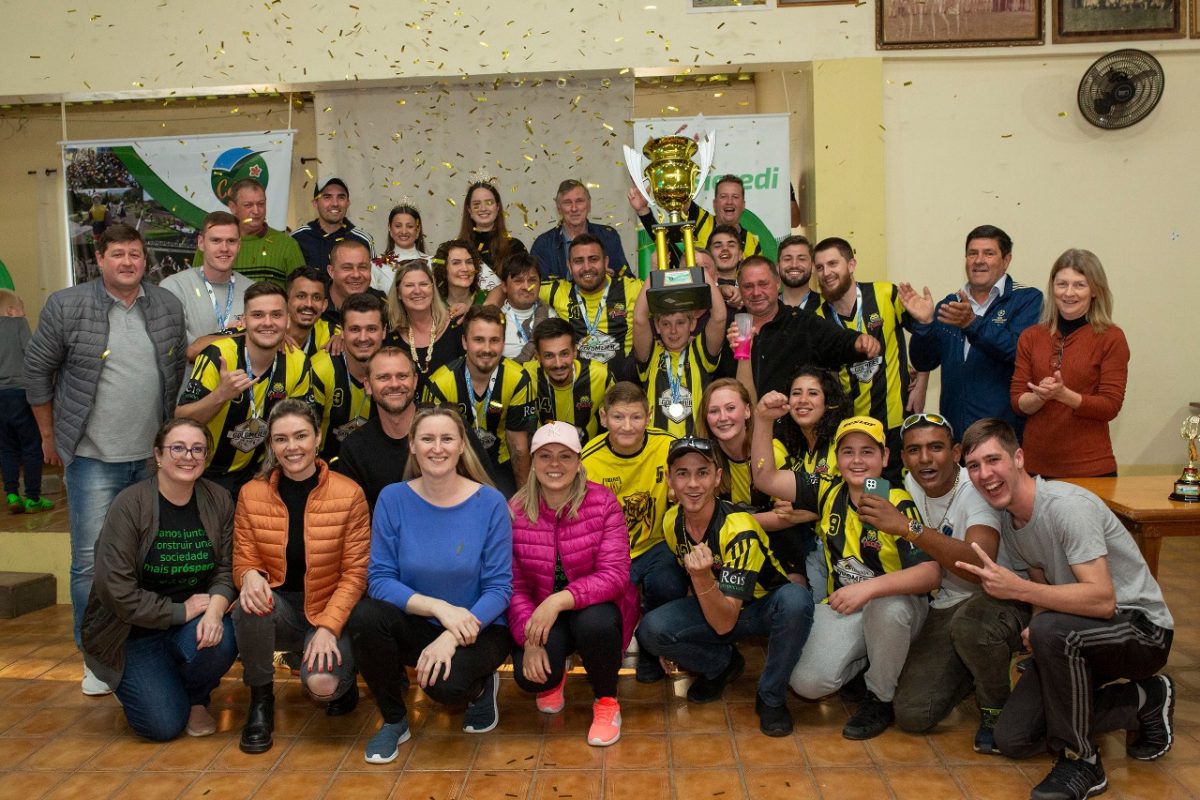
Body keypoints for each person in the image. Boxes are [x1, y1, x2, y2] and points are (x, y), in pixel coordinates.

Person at [959, 419, 1174, 800]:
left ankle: (1083, 762)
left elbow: (1103, 600)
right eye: (974, 466)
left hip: (1141, 630)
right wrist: (1037, 626)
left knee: (1052, 632)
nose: (984, 474)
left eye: (993, 460)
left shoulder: (1067, 507)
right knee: (1014, 737)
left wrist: (1022, 595)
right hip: (1080, 632)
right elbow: (1044, 589)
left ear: (1019, 458)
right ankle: (1145, 699)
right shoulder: (1011, 521)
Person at [25, 224, 188, 694]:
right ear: (99, 259)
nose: (128, 262)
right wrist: (48, 436)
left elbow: (175, 371)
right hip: (92, 458)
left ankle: (142, 651)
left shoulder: (166, 305)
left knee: (147, 560)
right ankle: (96, 659)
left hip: (152, 461)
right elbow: (37, 371)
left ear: (145, 259)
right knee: (90, 563)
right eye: (118, 254)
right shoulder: (66, 305)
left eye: (135, 254)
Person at [751, 406, 940, 741]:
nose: (857, 460)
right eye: (848, 452)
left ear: (884, 457)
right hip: (846, 606)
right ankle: (864, 662)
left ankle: (881, 698)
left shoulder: (896, 501)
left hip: (898, 608)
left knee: (887, 609)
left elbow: (931, 573)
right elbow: (765, 478)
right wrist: (764, 420)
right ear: (837, 458)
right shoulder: (828, 490)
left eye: (867, 452)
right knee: (807, 684)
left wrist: (868, 589)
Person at [348, 407, 513, 763]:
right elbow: (380, 580)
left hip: (480, 626)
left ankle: (481, 686)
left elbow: (499, 589)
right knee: (365, 618)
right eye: (427, 439)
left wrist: (452, 635)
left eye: (447, 439)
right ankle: (394, 720)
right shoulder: (392, 499)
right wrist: (438, 608)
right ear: (412, 445)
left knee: (446, 686)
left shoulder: (490, 502)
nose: (437, 448)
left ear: (461, 445)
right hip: (419, 622)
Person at [858, 412, 1027, 754]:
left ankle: (995, 708)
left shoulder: (975, 489)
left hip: (999, 596)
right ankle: (970, 667)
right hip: (945, 601)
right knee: (912, 714)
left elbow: (979, 566)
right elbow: (862, 490)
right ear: (903, 457)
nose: (925, 458)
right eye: (914, 450)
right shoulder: (905, 485)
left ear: (955, 453)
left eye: (935, 447)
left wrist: (909, 528)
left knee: (971, 627)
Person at [637, 436, 813, 736]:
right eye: (682, 473)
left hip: (761, 608)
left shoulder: (739, 528)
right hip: (717, 602)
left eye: (703, 473)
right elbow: (694, 588)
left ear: (718, 478)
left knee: (796, 600)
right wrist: (676, 639)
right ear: (669, 479)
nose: (693, 484)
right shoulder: (671, 522)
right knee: (652, 630)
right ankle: (722, 664)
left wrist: (702, 578)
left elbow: (724, 623)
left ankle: (771, 697)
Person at [80, 418, 237, 741]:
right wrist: (180, 610)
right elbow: (115, 589)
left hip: (190, 627)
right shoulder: (130, 504)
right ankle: (147, 682)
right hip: (134, 634)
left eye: (197, 449)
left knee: (224, 637)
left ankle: (196, 698)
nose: (188, 457)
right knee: (162, 727)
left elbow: (226, 568)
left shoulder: (218, 499)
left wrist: (214, 611)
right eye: (177, 448)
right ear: (158, 455)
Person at [232, 399, 371, 754]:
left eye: (300, 436)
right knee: (249, 603)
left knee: (323, 686)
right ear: (271, 444)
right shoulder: (251, 493)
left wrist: (328, 627)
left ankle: (343, 680)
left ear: (318, 438)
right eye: (281, 439)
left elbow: (356, 573)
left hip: (328, 607)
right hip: (280, 608)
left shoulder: (349, 493)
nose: (291, 447)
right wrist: (248, 575)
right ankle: (260, 700)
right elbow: (244, 557)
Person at [507, 422, 639, 746]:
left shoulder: (603, 502)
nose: (555, 464)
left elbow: (615, 575)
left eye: (565, 456)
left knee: (595, 623)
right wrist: (529, 638)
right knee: (533, 678)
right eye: (545, 456)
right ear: (533, 462)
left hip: (594, 609)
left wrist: (558, 600)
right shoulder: (515, 511)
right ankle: (556, 675)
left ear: (579, 462)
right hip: (543, 614)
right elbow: (513, 586)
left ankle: (606, 701)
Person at [580, 381, 686, 682]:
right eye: (618, 417)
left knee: (668, 584)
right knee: (604, 609)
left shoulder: (668, 446)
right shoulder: (589, 460)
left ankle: (653, 648)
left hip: (656, 545)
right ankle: (609, 649)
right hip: (611, 551)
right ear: (603, 418)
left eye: (636, 417)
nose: (627, 426)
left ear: (649, 416)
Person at [176, 282, 315, 500]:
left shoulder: (298, 362)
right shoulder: (217, 355)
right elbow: (180, 420)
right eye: (258, 315)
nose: (267, 322)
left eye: (276, 315)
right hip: (204, 473)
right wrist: (220, 395)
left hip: (258, 474)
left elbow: (301, 426)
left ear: (288, 320)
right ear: (244, 321)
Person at [902, 225, 1042, 438]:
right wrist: (924, 325)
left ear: (1006, 260)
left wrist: (972, 324)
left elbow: (1018, 351)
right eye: (972, 253)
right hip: (957, 435)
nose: (979, 260)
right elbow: (925, 361)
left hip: (1002, 436)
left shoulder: (1026, 299)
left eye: (989, 253)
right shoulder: (950, 304)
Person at [1011, 249, 1129, 478]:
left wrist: (1064, 395)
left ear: (1095, 290)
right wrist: (1040, 396)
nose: (1068, 293)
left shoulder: (1111, 337)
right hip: (1034, 470)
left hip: (1091, 470)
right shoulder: (1031, 336)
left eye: (1079, 285)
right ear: (1052, 287)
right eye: (1062, 284)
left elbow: (1110, 406)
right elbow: (1018, 402)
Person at [335, 347, 499, 510]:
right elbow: (357, 517)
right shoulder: (355, 447)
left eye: (402, 376)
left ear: (414, 381)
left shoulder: (449, 426)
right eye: (383, 377)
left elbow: (486, 489)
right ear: (368, 386)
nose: (394, 384)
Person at [811, 237, 923, 476]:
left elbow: (926, 338)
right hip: (856, 432)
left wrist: (922, 382)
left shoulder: (886, 294)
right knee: (871, 491)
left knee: (901, 489)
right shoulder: (818, 319)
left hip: (896, 425)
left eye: (833, 264)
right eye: (819, 267)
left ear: (851, 265)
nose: (826, 273)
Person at [422, 305, 536, 496]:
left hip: (500, 464)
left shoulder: (518, 379)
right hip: (455, 465)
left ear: (503, 343)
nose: (487, 349)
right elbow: (430, 446)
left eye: (494, 340)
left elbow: (518, 447)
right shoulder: (440, 383)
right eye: (479, 340)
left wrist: (524, 500)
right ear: (465, 342)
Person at [725, 255, 877, 398]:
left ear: (777, 283)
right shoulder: (728, 327)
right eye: (748, 286)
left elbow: (839, 340)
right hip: (741, 416)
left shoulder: (801, 323)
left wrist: (858, 341)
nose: (756, 292)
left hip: (792, 417)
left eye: (763, 284)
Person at [772, 366, 849, 594]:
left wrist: (812, 512)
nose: (802, 400)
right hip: (818, 549)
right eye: (796, 393)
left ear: (829, 402)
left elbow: (878, 490)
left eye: (813, 393)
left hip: (854, 551)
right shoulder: (798, 450)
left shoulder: (845, 438)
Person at [631, 264, 725, 437]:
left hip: (697, 444)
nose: (673, 331)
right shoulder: (651, 354)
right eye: (666, 324)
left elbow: (719, 317)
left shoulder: (700, 352)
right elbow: (639, 319)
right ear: (657, 326)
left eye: (680, 323)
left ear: (693, 323)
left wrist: (699, 274)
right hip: (657, 446)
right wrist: (655, 277)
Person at [696, 379, 793, 541]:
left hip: (776, 544)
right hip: (723, 544)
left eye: (730, 408)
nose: (723, 417)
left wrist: (730, 520)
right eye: (714, 411)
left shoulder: (773, 452)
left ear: (747, 411)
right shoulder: (702, 459)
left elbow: (788, 516)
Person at [539, 234, 644, 372]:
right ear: (569, 266)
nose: (587, 267)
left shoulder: (632, 289)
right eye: (578, 261)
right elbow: (516, 288)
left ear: (606, 262)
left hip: (622, 381)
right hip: (579, 382)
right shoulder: (557, 290)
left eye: (593, 259)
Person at [160, 210, 251, 361]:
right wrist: (239, 336)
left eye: (231, 241)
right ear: (201, 243)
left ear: (239, 245)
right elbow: (185, 350)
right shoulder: (174, 287)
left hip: (242, 376)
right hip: (192, 377)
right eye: (216, 240)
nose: (224, 248)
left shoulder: (253, 291)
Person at [310, 292, 385, 464]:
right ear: (342, 332)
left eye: (371, 329)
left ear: (384, 331)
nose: (363, 338)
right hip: (324, 466)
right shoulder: (321, 370)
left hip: (374, 465)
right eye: (354, 329)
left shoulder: (394, 373)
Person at [629, 174, 762, 264]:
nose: (729, 202)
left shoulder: (753, 243)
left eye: (735, 197)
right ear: (714, 204)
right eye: (723, 196)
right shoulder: (700, 219)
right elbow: (680, 194)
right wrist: (643, 211)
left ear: (743, 205)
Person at [194, 179, 304, 287]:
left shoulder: (287, 245)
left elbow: (301, 291)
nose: (256, 211)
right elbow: (196, 288)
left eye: (261, 204)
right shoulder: (211, 245)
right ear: (233, 207)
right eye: (248, 205)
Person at [0, 289, 51, 513]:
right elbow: (32, 354)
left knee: (6, 448)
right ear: (11, 311)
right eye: (22, 308)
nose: (25, 313)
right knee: (31, 446)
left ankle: (11, 493)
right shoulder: (18, 324)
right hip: (20, 393)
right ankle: (32, 497)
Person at [526, 318, 611, 446]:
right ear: (537, 356)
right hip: (542, 452)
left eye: (564, 354)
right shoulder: (525, 377)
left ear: (575, 351)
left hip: (587, 453)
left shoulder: (601, 376)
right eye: (549, 355)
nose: (558, 364)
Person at [386, 258, 464, 396]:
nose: (417, 291)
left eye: (423, 284)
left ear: (432, 289)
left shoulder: (457, 326)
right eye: (409, 285)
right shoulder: (389, 335)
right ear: (398, 293)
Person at [530, 179, 630, 280]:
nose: (574, 208)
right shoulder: (543, 244)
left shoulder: (609, 236)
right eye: (567, 203)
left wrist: (608, 278)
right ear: (559, 208)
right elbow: (536, 285)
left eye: (579, 201)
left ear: (589, 205)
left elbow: (628, 280)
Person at [291, 177, 375, 274]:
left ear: (348, 203)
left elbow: (373, 279)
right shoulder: (297, 239)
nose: (335, 203)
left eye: (341, 197)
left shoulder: (363, 240)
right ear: (315, 203)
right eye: (327, 197)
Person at [457, 181, 520, 290]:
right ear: (469, 210)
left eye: (489, 202)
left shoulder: (515, 247)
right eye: (476, 204)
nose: (483, 208)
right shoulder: (456, 249)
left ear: (498, 207)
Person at [322, 239, 386, 328]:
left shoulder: (383, 304)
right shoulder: (315, 302)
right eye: (347, 268)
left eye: (362, 267)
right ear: (331, 271)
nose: (356, 275)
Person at [499, 252, 550, 362]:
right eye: (518, 281)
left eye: (532, 280)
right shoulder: (495, 320)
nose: (526, 287)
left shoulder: (553, 316)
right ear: (504, 286)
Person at [371, 203, 427, 295]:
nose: (404, 231)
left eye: (410, 226)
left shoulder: (431, 263)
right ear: (390, 228)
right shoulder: (376, 265)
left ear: (418, 229)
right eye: (398, 226)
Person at [284, 267, 338, 358]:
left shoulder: (332, 333)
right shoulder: (268, 330)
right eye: (301, 296)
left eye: (316, 298)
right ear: (286, 301)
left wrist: (345, 340)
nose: (309, 304)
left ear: (324, 305)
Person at [432, 238, 486, 315]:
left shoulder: (487, 298)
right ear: (443, 268)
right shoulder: (433, 303)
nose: (465, 269)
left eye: (469, 262)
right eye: (456, 263)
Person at [777, 235, 820, 311]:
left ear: (813, 266)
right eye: (787, 259)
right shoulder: (765, 306)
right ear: (778, 267)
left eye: (801, 259)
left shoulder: (828, 306)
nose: (794, 265)